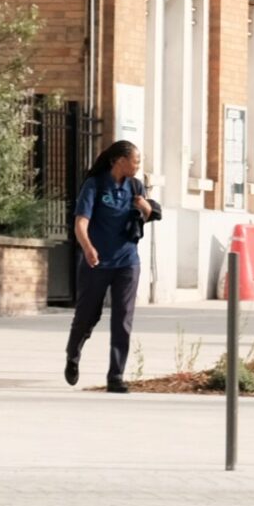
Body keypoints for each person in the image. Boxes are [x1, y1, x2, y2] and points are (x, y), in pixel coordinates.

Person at [66, 140, 154, 393]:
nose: (138, 166)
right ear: (120, 161)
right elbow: (81, 223)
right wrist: (88, 247)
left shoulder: (135, 186)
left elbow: (146, 215)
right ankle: (73, 354)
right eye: (135, 161)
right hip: (96, 262)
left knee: (123, 319)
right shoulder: (94, 185)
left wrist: (146, 208)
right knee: (87, 315)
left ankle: (116, 376)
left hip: (127, 261)